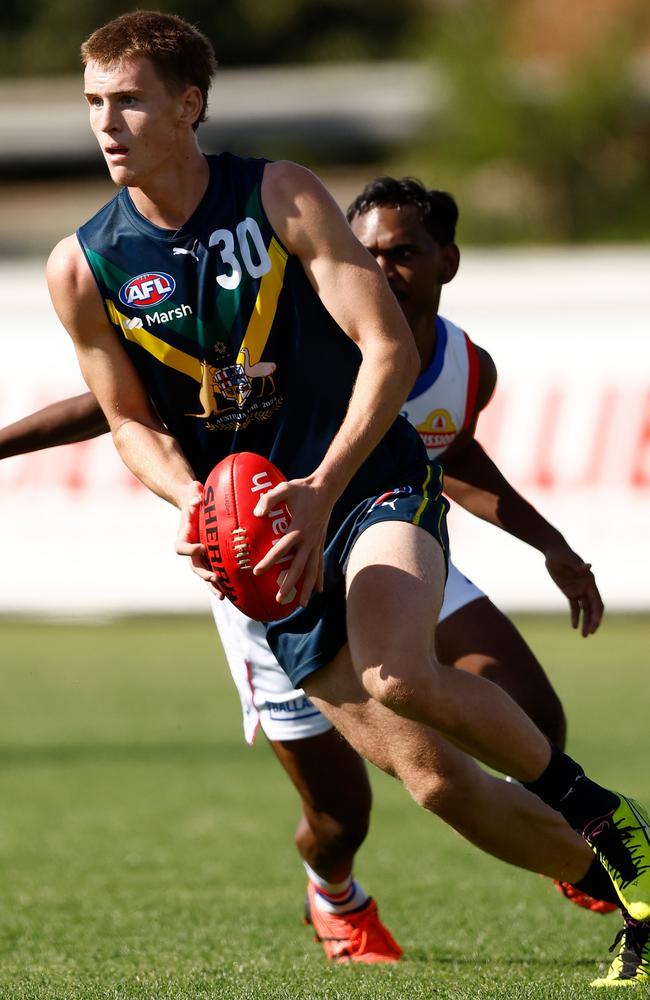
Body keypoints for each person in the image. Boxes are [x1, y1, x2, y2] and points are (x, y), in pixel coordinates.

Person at [31, 10, 650, 986]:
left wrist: (320, 488)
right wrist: (197, 503)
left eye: (128, 101)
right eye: (93, 104)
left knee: (402, 673)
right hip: (266, 551)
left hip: (368, 484)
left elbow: (389, 349)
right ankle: (631, 893)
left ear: (188, 106)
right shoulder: (82, 265)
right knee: (434, 781)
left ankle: (605, 814)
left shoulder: (278, 193)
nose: (106, 123)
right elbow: (129, 423)